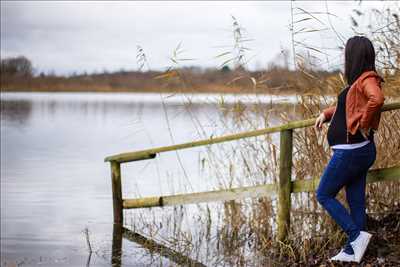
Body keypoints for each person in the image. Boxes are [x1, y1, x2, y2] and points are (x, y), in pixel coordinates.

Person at [314, 35, 385, 263]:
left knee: (323, 194)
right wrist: (326, 114)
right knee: (356, 201)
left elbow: (378, 99)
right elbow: (347, 107)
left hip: (352, 152)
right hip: (357, 152)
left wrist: (364, 125)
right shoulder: (358, 83)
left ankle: (356, 236)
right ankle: (354, 251)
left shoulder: (367, 79)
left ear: (353, 56)